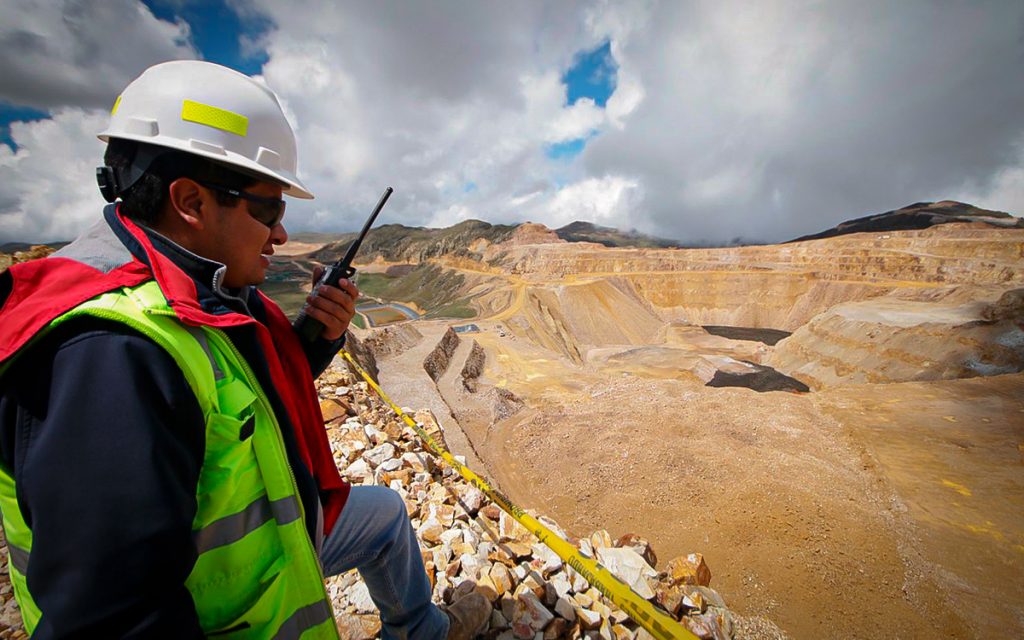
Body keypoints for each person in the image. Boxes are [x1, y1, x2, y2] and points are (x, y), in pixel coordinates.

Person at [0, 61, 489, 639]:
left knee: (382, 515)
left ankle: (421, 630)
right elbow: (115, 618)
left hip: (272, 553)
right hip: (234, 610)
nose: (280, 234)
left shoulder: (202, 285)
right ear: (190, 201)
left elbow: (239, 394)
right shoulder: (109, 355)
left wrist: (313, 338)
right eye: (269, 208)